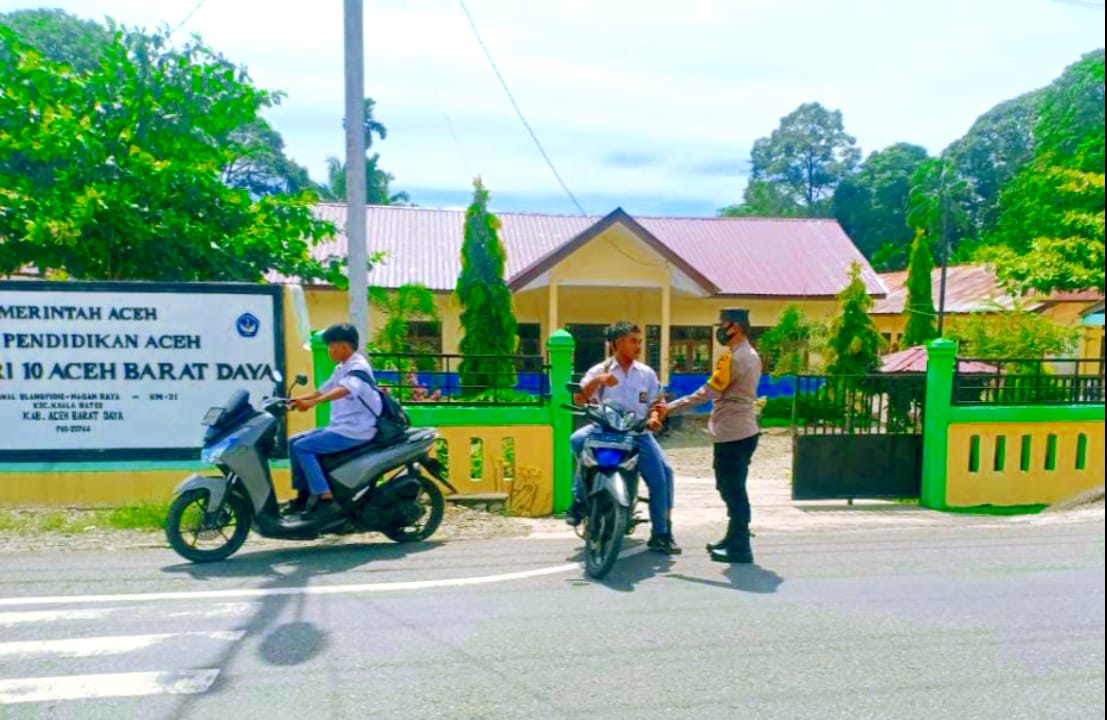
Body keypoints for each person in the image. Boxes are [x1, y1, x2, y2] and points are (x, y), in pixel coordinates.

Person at [658, 308, 761, 564]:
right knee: (731, 487)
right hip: (743, 430)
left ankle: (740, 547)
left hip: (732, 433)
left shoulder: (733, 358)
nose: (720, 330)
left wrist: (669, 408)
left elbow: (706, 393)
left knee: (732, 490)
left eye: (723, 325)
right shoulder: (751, 354)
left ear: (734, 327)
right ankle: (734, 536)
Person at [568, 321, 680, 555]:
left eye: (639, 341)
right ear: (618, 343)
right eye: (633, 341)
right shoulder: (599, 370)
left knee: (660, 480)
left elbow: (657, 403)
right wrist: (599, 381)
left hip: (638, 434)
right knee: (577, 441)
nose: (638, 346)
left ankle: (661, 533)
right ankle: (579, 500)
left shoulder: (646, 374)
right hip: (603, 431)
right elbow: (579, 399)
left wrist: (655, 417)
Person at [286, 323, 383, 518]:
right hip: (340, 427)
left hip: (356, 430)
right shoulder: (341, 367)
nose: (329, 350)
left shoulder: (358, 366)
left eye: (331, 346)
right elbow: (322, 390)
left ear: (344, 346)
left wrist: (312, 404)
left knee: (303, 447)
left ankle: (325, 498)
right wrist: (298, 400)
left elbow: (345, 389)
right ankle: (304, 495)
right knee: (293, 441)